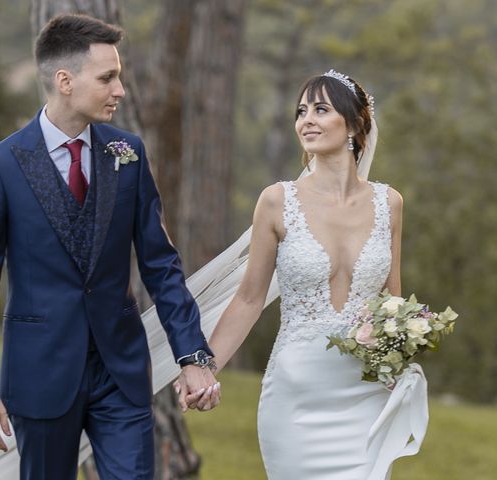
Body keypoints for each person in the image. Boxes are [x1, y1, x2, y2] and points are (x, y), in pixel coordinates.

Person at [0, 13, 219, 480]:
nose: (120, 90)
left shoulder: (128, 153)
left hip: (119, 372)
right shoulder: (0, 167)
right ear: (65, 81)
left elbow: (161, 266)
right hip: (40, 372)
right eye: (108, 78)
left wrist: (193, 358)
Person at [176, 70, 428, 479]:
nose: (306, 120)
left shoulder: (389, 203)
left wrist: (401, 357)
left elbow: (391, 303)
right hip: (295, 397)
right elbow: (248, 299)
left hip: (366, 396)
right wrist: (205, 368)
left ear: (355, 124)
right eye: (301, 111)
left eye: (321, 109)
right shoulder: (276, 201)